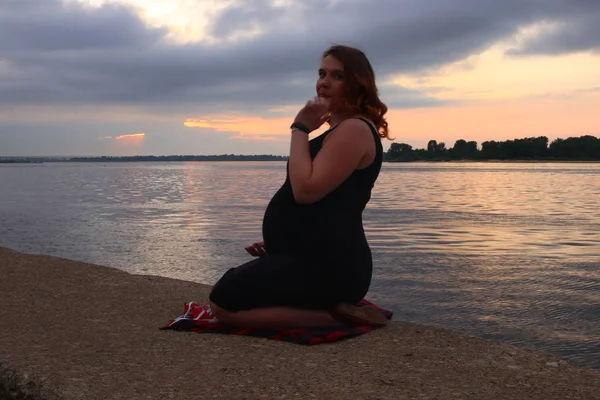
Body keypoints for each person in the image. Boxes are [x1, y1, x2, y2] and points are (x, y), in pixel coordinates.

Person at [207, 44, 391, 329]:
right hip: (310, 256)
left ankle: (337, 317)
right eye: (322, 73)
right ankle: (333, 307)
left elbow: (305, 191)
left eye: (338, 76)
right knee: (232, 287)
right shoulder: (337, 132)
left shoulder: (354, 129)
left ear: (358, 84)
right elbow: (326, 205)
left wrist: (300, 128)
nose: (324, 82)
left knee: (224, 303)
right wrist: (284, 243)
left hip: (332, 267)